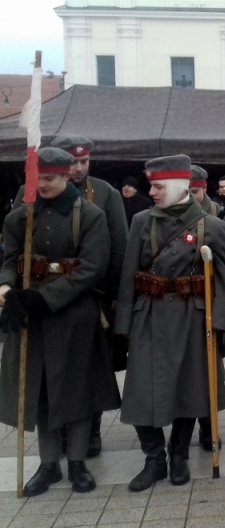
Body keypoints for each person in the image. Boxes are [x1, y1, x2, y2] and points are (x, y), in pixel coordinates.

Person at [0, 147, 120, 496]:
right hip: (29, 317)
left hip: (74, 315)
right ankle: (49, 463)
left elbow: (91, 268)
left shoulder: (91, 215)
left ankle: (78, 463)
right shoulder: (20, 215)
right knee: (39, 390)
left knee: (77, 392)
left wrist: (46, 297)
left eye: (49, 179)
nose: (42, 185)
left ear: (67, 176)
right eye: (37, 179)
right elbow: (9, 258)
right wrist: (7, 289)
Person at [115, 154, 225, 491]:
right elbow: (128, 274)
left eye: (157, 186)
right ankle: (154, 458)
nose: (150, 192)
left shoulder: (211, 226)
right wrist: (123, 324)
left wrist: (220, 323)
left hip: (191, 317)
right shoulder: (141, 220)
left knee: (188, 390)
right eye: (151, 186)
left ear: (177, 186)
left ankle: (178, 453)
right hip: (149, 314)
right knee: (140, 392)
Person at [22, 135, 128, 459]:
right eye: (74, 161)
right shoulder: (31, 192)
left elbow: (118, 250)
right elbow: (19, 241)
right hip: (41, 299)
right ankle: (57, 444)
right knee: (47, 375)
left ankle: (90, 434)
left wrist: (114, 300)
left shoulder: (105, 194)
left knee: (88, 372)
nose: (79, 167)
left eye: (84, 161)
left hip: (90, 297)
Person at [189, 165, 225, 452]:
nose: (189, 197)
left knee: (209, 369)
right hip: (178, 304)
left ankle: (209, 425)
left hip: (207, 300)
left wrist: (208, 249)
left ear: (204, 189)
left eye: (195, 192)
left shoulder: (223, 215)